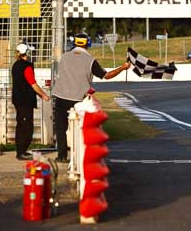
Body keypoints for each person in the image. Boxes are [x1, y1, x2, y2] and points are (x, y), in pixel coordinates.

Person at [52, 33, 130, 163]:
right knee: (80, 129)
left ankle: (61, 156)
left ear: (74, 43)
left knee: (61, 129)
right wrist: (123, 67)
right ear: (87, 44)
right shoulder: (90, 60)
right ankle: (80, 157)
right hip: (78, 99)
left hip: (60, 96)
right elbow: (106, 76)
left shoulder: (64, 57)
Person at [12, 43, 50, 160]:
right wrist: (43, 94)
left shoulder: (15, 65)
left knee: (21, 125)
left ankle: (21, 150)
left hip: (18, 99)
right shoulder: (27, 66)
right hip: (25, 101)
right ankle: (21, 152)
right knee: (26, 126)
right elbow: (32, 83)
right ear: (27, 53)